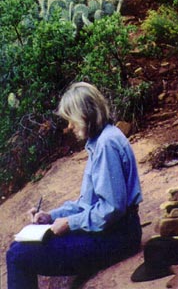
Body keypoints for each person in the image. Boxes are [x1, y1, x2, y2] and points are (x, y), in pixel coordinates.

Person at [7, 82, 142, 288]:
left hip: (118, 236)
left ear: (85, 115)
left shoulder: (106, 145)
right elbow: (87, 203)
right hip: (111, 231)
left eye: (71, 120)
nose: (69, 127)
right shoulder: (101, 141)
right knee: (19, 247)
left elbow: (111, 209)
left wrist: (70, 223)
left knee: (18, 256)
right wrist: (51, 216)